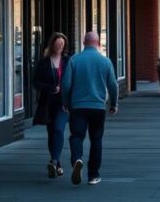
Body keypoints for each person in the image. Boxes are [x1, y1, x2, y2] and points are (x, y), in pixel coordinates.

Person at [62, 31, 119, 185]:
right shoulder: (105, 62)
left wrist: (65, 102)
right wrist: (114, 103)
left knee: (76, 136)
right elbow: (113, 85)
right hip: (98, 107)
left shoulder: (74, 60)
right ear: (98, 43)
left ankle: (77, 160)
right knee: (96, 139)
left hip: (78, 106)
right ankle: (93, 175)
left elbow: (66, 85)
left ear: (83, 42)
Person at [32, 32, 71, 178]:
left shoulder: (68, 61)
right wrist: (50, 88)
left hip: (64, 103)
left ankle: (53, 160)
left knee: (58, 129)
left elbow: (74, 80)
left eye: (62, 44)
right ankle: (57, 163)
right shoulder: (44, 62)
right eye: (58, 43)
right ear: (52, 44)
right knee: (51, 133)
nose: (60, 46)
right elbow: (36, 82)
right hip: (48, 102)